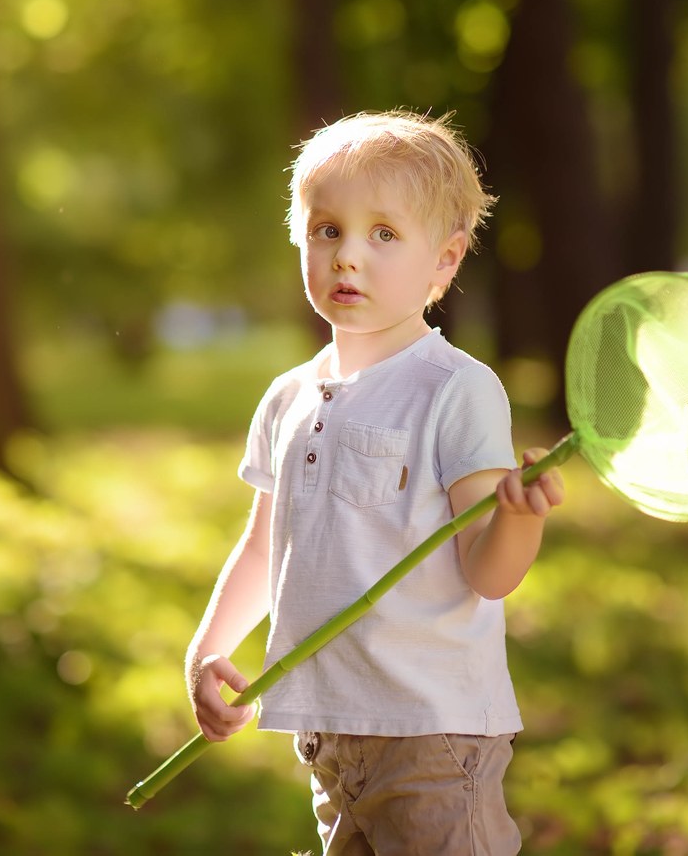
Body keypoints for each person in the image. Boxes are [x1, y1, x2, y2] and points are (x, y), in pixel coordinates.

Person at [185, 110, 565, 855]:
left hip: (433, 736)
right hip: (331, 733)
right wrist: (206, 652)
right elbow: (265, 549)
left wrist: (519, 518)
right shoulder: (288, 396)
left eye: (383, 234)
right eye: (327, 230)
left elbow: (487, 571)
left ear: (445, 262)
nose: (347, 256)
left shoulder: (454, 388)